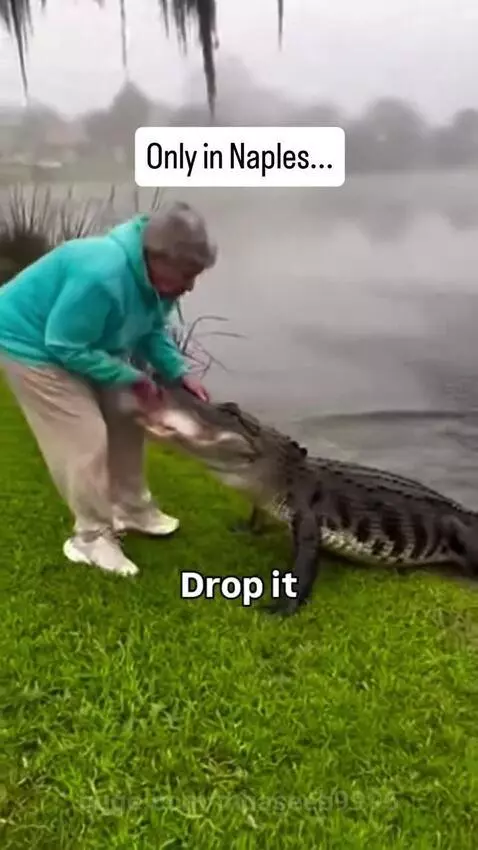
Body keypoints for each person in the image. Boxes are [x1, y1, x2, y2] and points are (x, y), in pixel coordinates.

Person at [0, 200, 217, 577]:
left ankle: (131, 507)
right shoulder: (101, 274)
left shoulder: (155, 283)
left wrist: (178, 373)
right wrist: (131, 375)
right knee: (84, 436)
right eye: (186, 273)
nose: (190, 286)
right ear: (158, 257)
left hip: (79, 343)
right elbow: (63, 345)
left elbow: (150, 330)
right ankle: (91, 537)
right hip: (28, 344)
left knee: (129, 409)